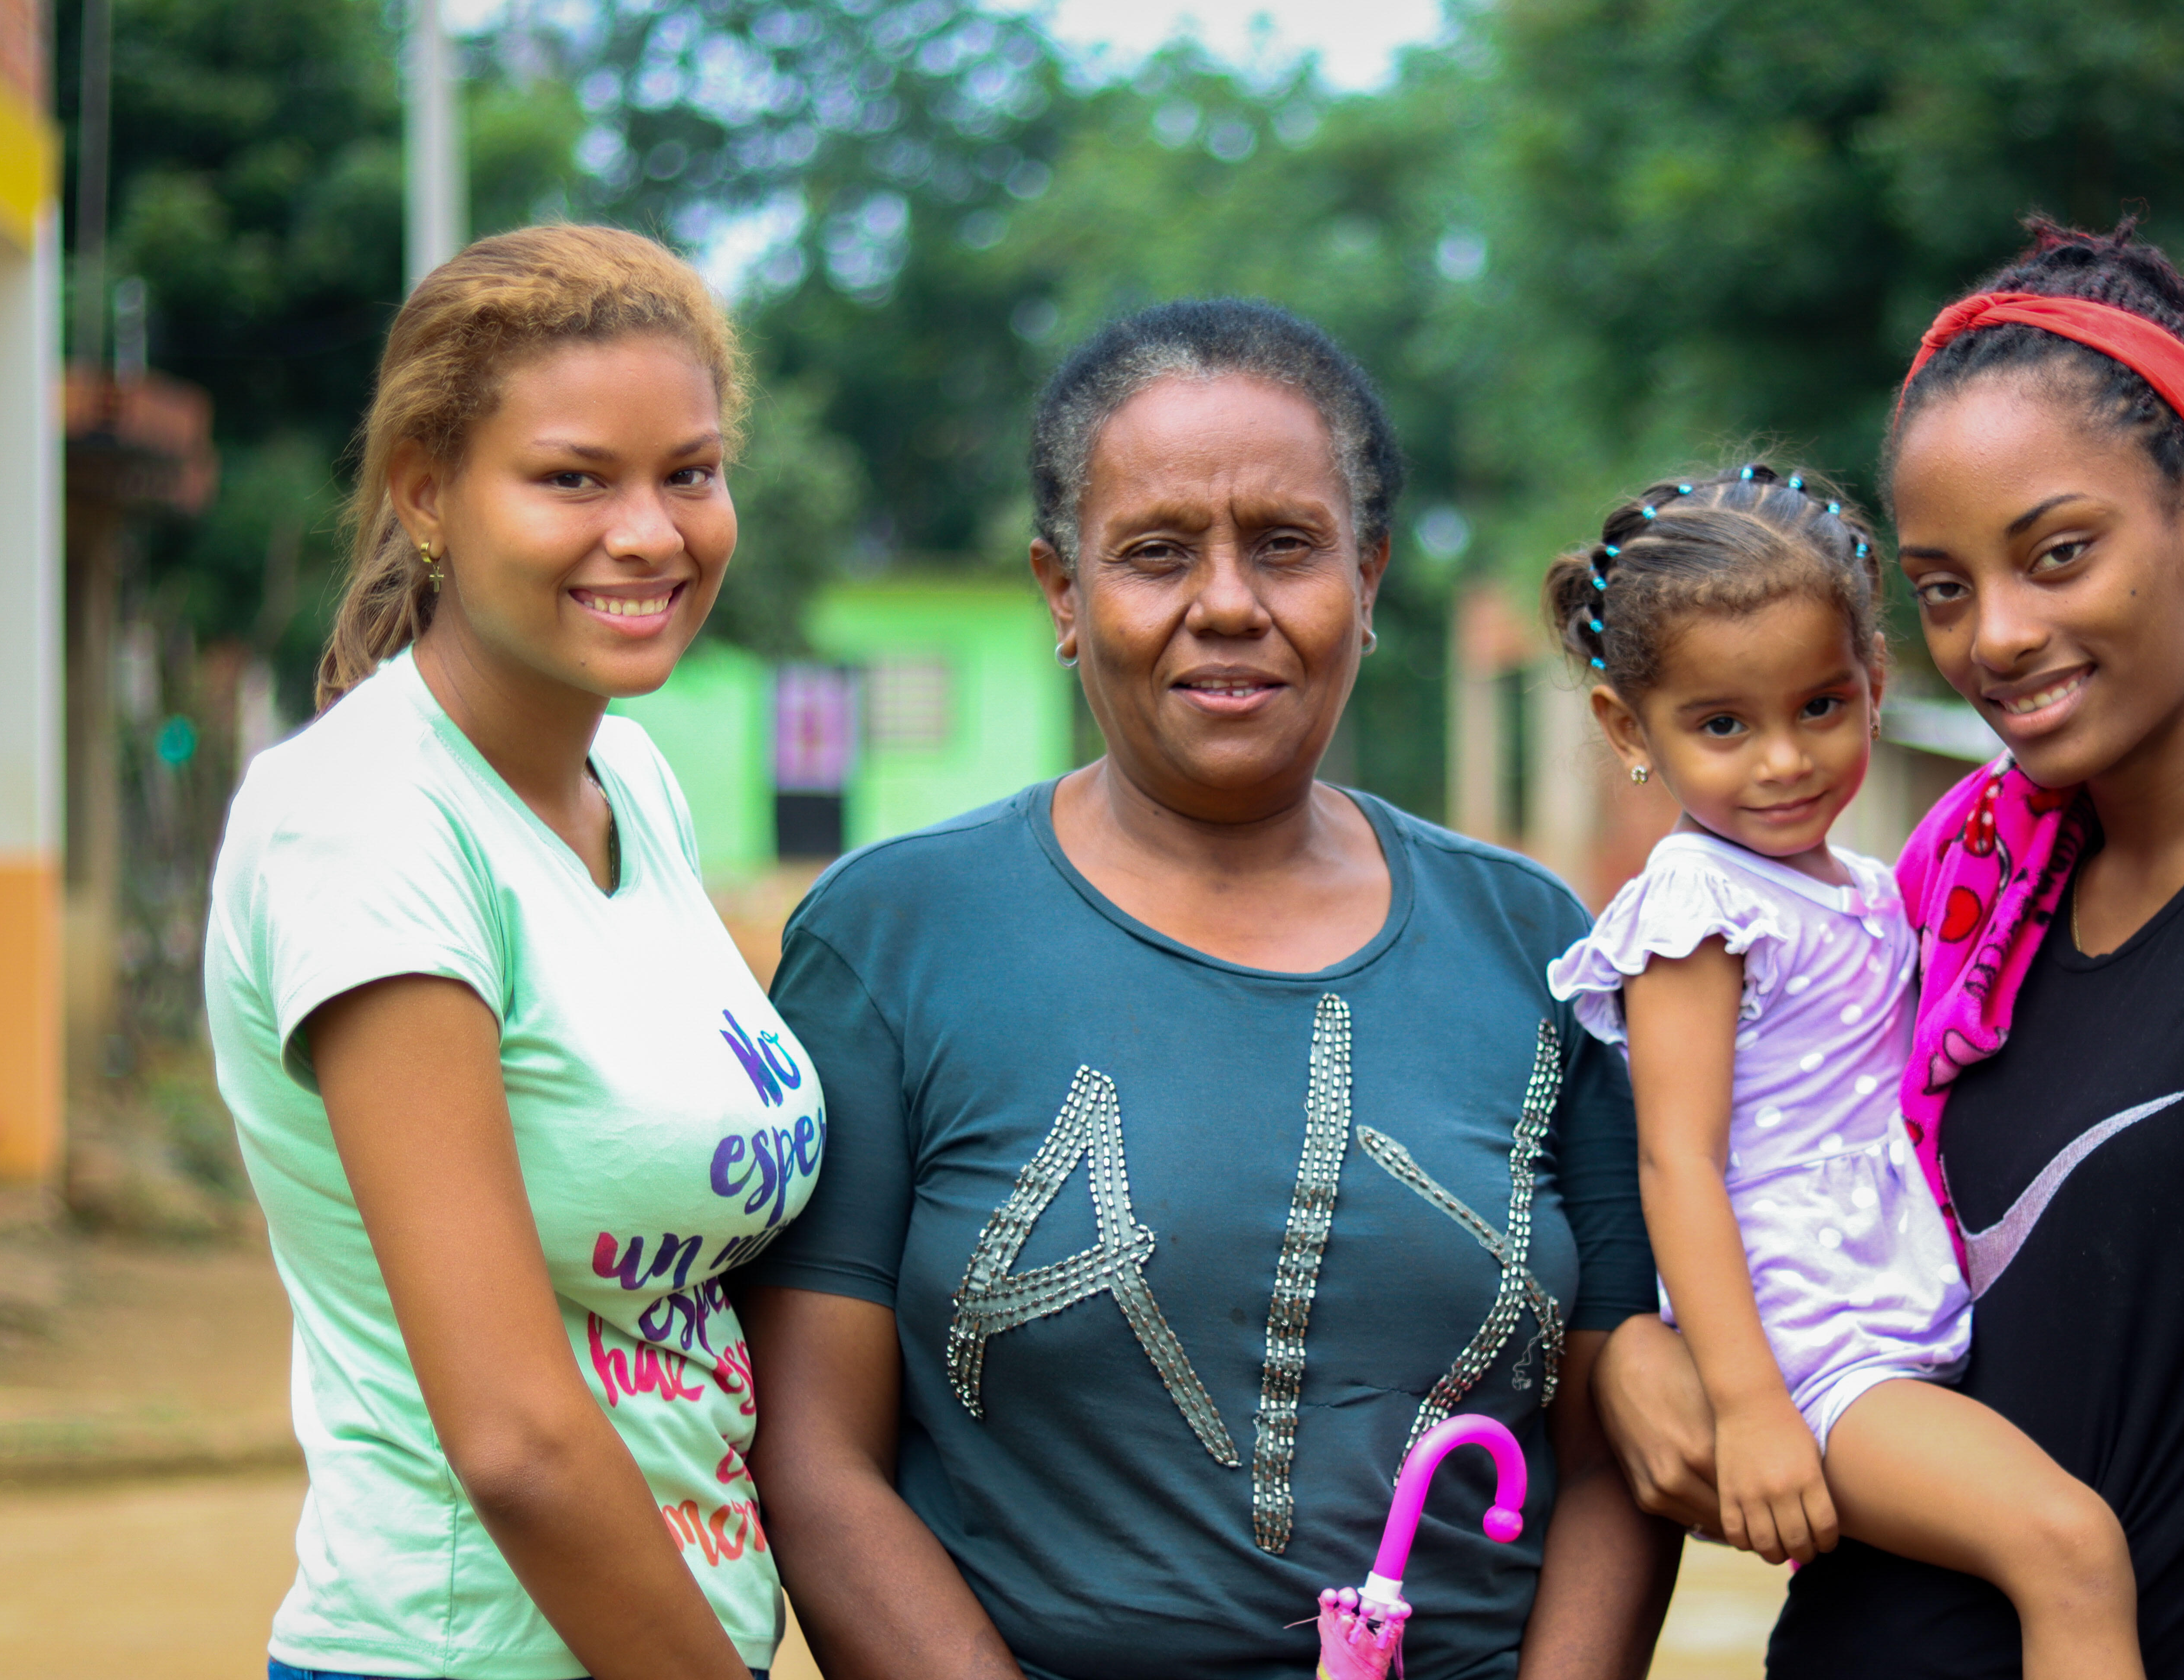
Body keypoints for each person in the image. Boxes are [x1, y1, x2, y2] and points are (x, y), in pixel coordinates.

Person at [1592, 219, 2184, 1680]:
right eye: (1946, 586)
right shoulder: (1960, 883)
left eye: (2058, 554)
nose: (1998, 636)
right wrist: (1635, 1352)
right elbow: (1720, 1146)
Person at [734, 298, 1677, 1680]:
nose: (1228, 603)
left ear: (1369, 576)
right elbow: (815, 1457)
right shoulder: (894, 938)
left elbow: (1611, 1452)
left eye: (1286, 545)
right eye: (1157, 551)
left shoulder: (1541, 948)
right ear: (1064, 593)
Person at [205, 225, 815, 1680]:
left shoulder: (632, 784)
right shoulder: (369, 828)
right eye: (574, 479)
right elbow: (518, 1440)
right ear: (428, 493)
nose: (652, 532)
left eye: (690, 472)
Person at [1538, 464, 2143, 1680]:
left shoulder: (1872, 888)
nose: (1783, 760)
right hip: (1809, 1345)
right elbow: (1678, 1163)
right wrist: (1752, 1407)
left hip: (1892, 1308)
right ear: (1629, 729)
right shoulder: (1698, 906)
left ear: (1875, 680)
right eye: (1723, 725)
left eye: (1820, 705)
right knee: (2072, 1549)